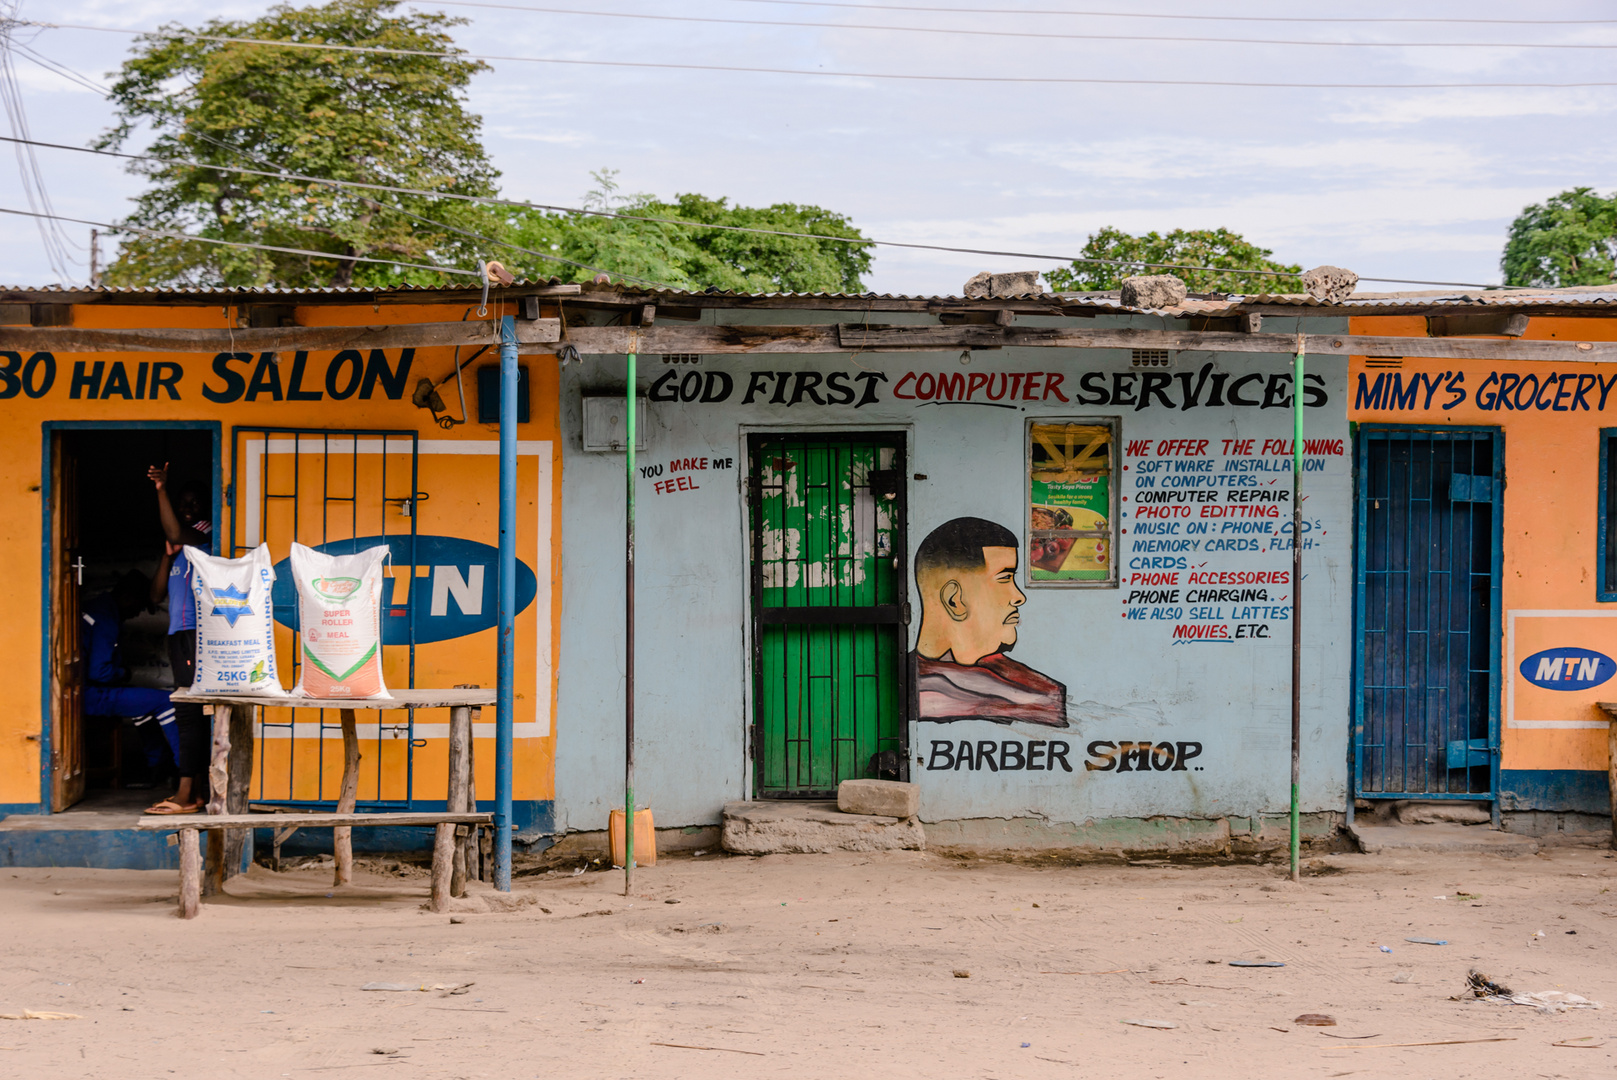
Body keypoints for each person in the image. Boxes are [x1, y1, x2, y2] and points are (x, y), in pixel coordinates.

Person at [911, 517, 1067, 727]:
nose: (1019, 596)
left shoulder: (1031, 687)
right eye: (1004, 578)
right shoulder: (922, 693)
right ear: (954, 600)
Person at [144, 463, 214, 815]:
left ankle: (188, 794)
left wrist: (161, 490)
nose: (188, 510)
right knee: (189, 713)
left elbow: (174, 528)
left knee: (189, 715)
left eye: (194, 504)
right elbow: (155, 596)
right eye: (182, 503)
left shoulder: (204, 537)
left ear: (207, 508)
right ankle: (193, 791)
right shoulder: (180, 549)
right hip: (179, 637)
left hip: (195, 635)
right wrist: (166, 555)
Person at [81, 569, 179, 787]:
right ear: (128, 598)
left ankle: (157, 767)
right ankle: (186, 773)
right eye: (140, 606)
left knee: (142, 705)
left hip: (81, 691)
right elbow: (100, 672)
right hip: (89, 695)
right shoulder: (105, 618)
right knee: (168, 701)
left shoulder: (98, 608)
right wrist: (123, 673)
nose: (138, 614)